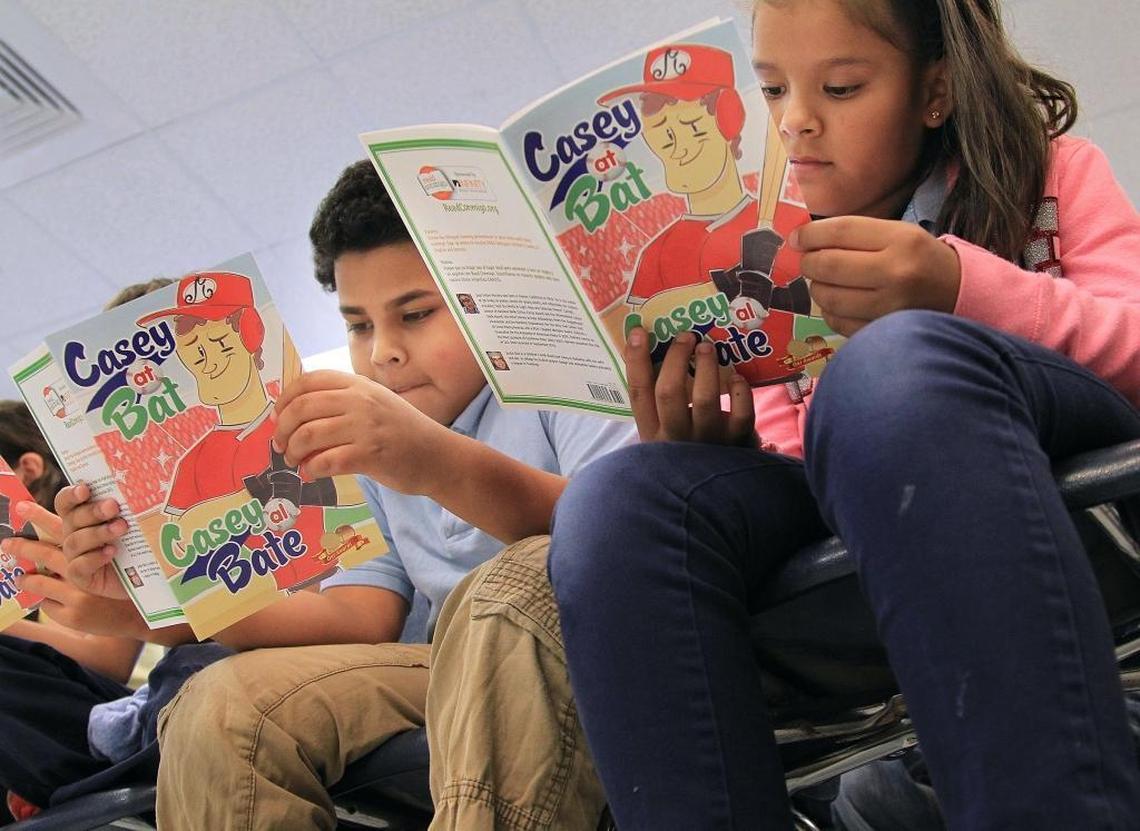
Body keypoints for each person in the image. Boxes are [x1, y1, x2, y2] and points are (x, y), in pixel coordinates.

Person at [546, 0, 1140, 828]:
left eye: (842, 87)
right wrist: (725, 439)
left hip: (1072, 468)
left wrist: (959, 288)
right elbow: (801, 476)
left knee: (887, 371)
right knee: (618, 502)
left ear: (932, 93)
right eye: (771, 89)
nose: (795, 121)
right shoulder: (767, 256)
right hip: (854, 514)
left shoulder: (1055, 173)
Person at [53, 159, 634, 830]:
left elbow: (615, 532)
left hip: (587, 636)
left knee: (506, 587)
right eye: (358, 326)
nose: (383, 352)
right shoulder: (374, 437)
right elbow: (362, 617)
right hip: (444, 665)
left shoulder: (569, 364)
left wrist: (430, 461)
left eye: (415, 314)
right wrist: (151, 613)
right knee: (222, 701)